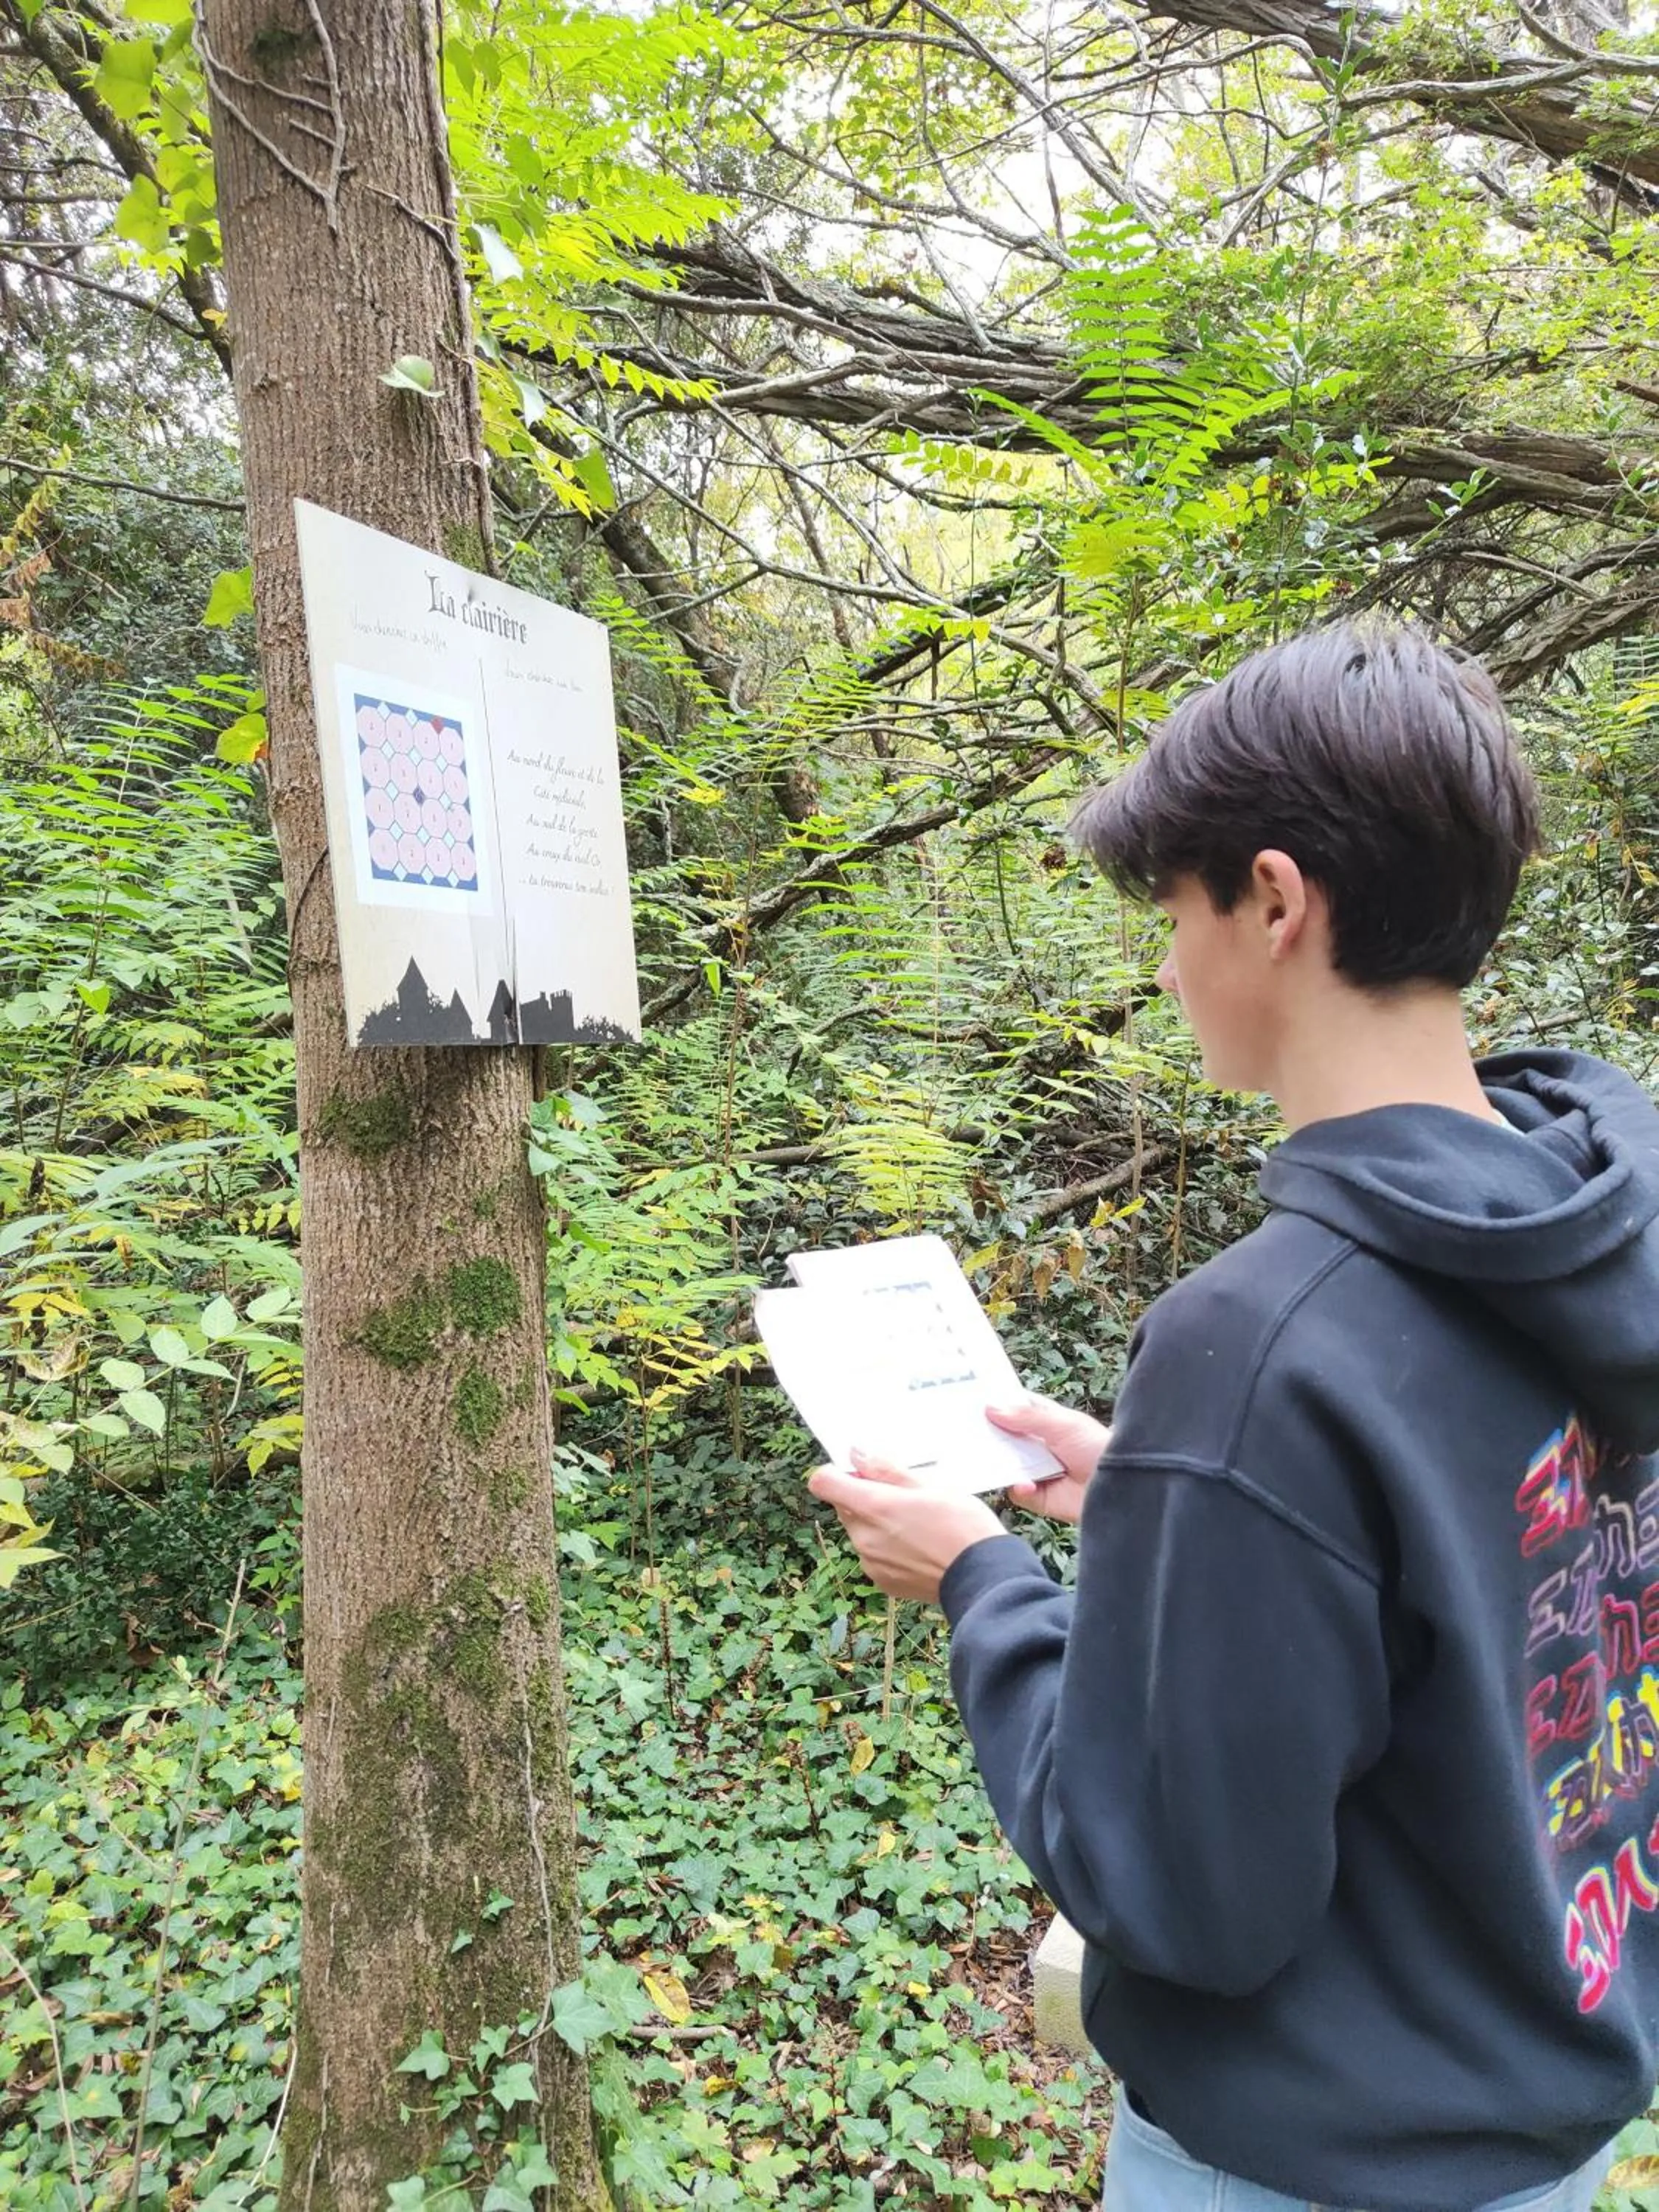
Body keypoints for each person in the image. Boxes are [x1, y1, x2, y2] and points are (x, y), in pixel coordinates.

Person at [809, 622, 1659, 2212]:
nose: (1163, 963)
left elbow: (1186, 1896)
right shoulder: (1593, 1226)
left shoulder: (1261, 1345)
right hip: (1549, 2109)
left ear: (1274, 901)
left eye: (1174, 911)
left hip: (1312, 2164)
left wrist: (984, 1583)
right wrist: (1155, 1493)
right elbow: (1484, 1571)